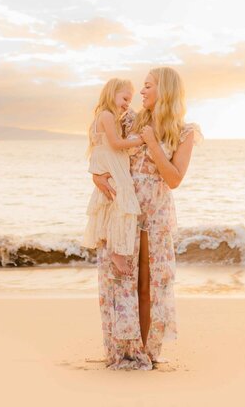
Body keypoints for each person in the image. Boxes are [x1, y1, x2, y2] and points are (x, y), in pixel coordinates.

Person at [92, 66, 202, 370]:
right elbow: (103, 144)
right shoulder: (130, 120)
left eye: (148, 86)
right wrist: (96, 175)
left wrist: (153, 143)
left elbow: (175, 178)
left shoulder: (185, 132)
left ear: (164, 91)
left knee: (148, 284)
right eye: (142, 87)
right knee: (122, 281)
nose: (141, 92)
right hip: (124, 209)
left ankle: (145, 351)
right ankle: (126, 350)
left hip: (155, 212)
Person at [82, 78, 144, 276]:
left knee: (112, 203)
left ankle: (109, 241)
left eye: (130, 100)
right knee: (121, 202)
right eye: (125, 98)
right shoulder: (107, 116)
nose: (127, 104)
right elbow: (116, 144)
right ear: (111, 94)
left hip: (109, 164)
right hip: (113, 165)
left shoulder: (104, 116)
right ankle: (116, 250)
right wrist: (142, 140)